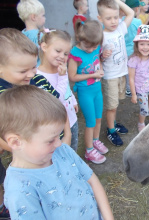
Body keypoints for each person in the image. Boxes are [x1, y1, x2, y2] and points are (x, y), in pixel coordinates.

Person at [0, 85, 114, 220]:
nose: (59, 143)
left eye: (59, 136)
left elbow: (93, 181)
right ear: (15, 142)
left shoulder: (62, 151)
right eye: (50, 140)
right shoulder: (19, 189)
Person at [0, 28, 71, 219]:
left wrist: (66, 133)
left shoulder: (36, 79)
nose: (31, 74)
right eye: (23, 70)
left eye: (34, 66)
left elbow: (55, 104)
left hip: (45, 145)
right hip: (25, 153)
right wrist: (20, 150)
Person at [68, 20, 109, 164]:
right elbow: (72, 76)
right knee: (90, 122)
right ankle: (89, 150)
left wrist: (102, 66)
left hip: (97, 89)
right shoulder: (75, 53)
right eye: (87, 46)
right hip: (85, 92)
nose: (91, 50)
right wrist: (93, 75)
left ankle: (95, 140)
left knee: (98, 118)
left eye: (95, 46)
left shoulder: (95, 47)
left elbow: (98, 61)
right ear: (80, 39)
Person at [97, 0, 134, 146]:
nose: (113, 21)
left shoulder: (120, 28)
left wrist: (116, 2)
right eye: (108, 18)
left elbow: (131, 13)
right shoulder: (100, 36)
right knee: (111, 106)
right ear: (100, 19)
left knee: (116, 102)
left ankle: (113, 122)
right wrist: (102, 56)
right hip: (109, 76)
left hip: (121, 73)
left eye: (116, 17)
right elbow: (96, 57)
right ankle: (111, 130)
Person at [37, 29, 79, 152]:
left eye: (66, 54)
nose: (62, 56)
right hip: (58, 127)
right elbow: (55, 101)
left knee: (72, 151)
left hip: (72, 120)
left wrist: (73, 100)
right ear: (44, 47)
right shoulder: (39, 77)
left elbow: (66, 88)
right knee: (62, 154)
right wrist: (62, 77)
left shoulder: (59, 70)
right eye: (58, 51)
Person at [17, 0, 46, 66]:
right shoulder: (40, 37)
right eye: (43, 15)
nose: (45, 18)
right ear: (34, 17)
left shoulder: (21, 35)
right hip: (38, 71)